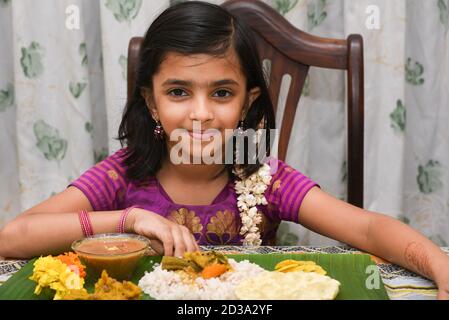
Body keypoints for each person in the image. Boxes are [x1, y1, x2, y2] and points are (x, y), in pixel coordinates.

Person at [0, 1, 448, 299]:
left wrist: (439, 264)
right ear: (151, 101)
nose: (201, 114)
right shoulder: (123, 174)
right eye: (178, 92)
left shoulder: (265, 179)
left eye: (221, 93)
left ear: (248, 101)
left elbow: (368, 231)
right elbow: (13, 238)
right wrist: (128, 219)